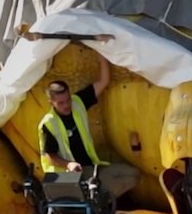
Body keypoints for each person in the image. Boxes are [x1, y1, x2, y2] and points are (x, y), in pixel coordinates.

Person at [38, 57, 141, 200]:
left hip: (91, 167)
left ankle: (98, 195)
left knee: (133, 174)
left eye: (68, 100)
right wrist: (69, 164)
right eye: (61, 103)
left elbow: (104, 81)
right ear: (51, 103)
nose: (67, 105)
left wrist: (102, 54)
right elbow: (49, 156)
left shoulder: (78, 102)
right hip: (71, 175)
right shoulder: (49, 123)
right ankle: (95, 197)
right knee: (116, 182)